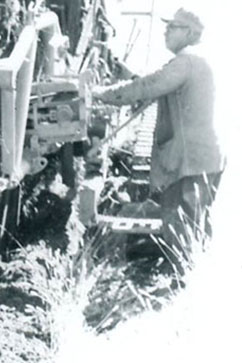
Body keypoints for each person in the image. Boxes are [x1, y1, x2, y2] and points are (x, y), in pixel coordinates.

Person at [93, 8, 225, 270]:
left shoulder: (186, 62)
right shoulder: (194, 61)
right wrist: (128, 76)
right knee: (194, 226)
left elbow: (150, 87)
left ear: (188, 33)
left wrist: (100, 93)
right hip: (202, 159)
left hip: (192, 162)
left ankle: (180, 284)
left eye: (172, 27)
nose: (166, 31)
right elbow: (155, 86)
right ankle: (185, 279)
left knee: (180, 229)